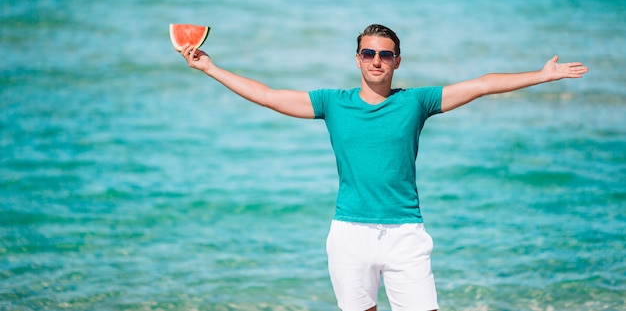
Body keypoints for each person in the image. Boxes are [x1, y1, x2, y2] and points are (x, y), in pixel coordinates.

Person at [178, 24, 588, 311]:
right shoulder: (332, 103)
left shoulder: (416, 101)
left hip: (405, 234)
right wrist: (210, 67)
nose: (377, 60)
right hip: (349, 235)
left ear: (397, 61)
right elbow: (267, 95)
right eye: (369, 53)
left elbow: (480, 84)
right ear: (358, 58)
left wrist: (541, 75)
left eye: (385, 54)